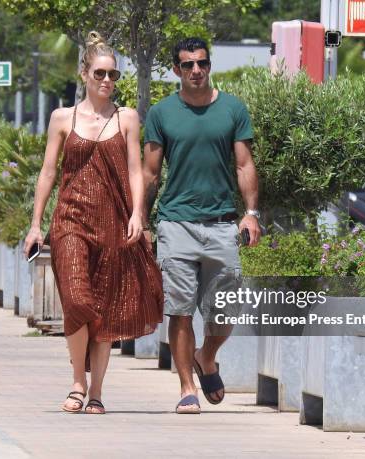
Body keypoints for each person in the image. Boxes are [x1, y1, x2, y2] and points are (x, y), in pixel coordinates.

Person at [24, 31, 163, 415]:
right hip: (69, 220)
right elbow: (48, 173)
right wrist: (36, 224)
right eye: (100, 73)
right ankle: (77, 381)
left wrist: (138, 213)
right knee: (77, 298)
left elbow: (137, 171)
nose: (107, 81)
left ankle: (97, 391)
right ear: (84, 73)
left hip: (114, 222)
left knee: (106, 306)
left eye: (113, 75)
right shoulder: (62, 118)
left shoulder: (128, 118)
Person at [142, 37, 261, 414]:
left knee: (226, 311)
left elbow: (244, 165)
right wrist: (143, 223)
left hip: (222, 223)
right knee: (180, 310)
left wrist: (251, 213)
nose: (196, 70)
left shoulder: (232, 109)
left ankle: (206, 357)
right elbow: (150, 173)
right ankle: (186, 387)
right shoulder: (162, 113)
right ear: (177, 70)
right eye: (188, 65)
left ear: (209, 66)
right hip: (176, 223)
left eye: (202, 63)